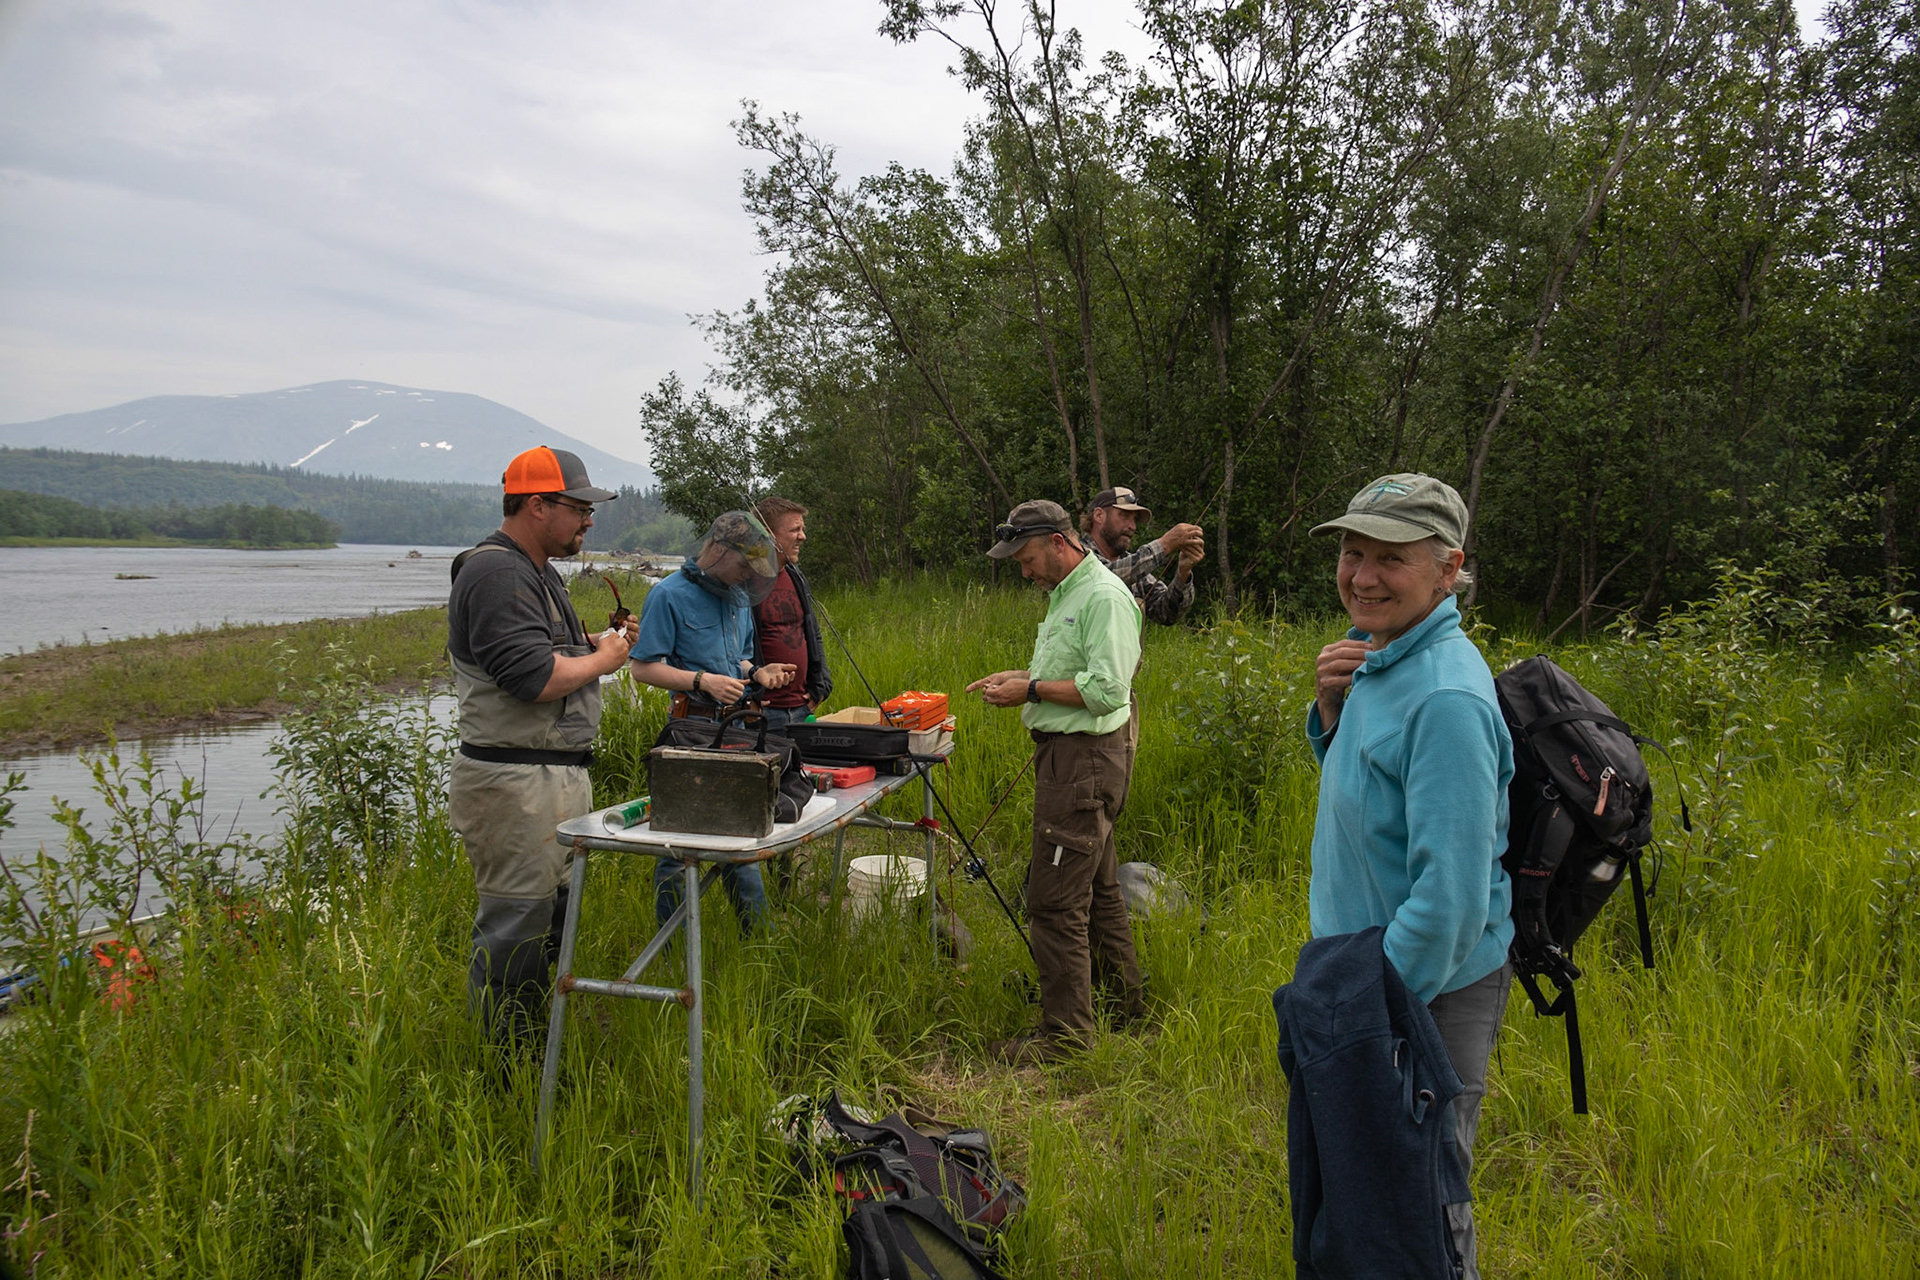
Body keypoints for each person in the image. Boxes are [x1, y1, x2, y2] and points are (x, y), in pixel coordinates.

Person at [1300, 472, 1514, 1278]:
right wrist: (1331, 717)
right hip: (1368, 975)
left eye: (1390, 558)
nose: (1362, 576)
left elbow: (1449, 903)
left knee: (1420, 1204)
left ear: (1448, 569)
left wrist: (1367, 1014)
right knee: (1366, 1199)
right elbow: (1370, 798)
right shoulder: (1383, 659)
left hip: (1422, 991)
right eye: (1353, 552)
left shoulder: (1446, 697)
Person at [447, 446, 634, 1048]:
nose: (589, 520)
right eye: (578, 508)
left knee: (547, 928)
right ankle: (505, 1073)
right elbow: (533, 678)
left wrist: (595, 642)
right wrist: (605, 660)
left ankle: (534, 1058)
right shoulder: (497, 574)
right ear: (536, 505)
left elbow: (539, 650)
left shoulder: (535, 571)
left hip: (547, 780)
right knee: (516, 936)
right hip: (515, 785)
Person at [966, 499, 1147, 1065]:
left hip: (1084, 762)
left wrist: (1030, 690)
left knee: (1053, 902)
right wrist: (1022, 676)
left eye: (1026, 558)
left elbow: (1107, 690)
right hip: (1071, 759)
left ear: (1058, 542)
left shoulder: (1103, 596)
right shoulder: (1068, 593)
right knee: (1100, 889)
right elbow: (1075, 672)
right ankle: (1124, 1006)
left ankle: (1065, 1038)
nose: (1024, 571)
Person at [628, 510, 796, 932]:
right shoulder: (668, 595)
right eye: (744, 566)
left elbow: (738, 660)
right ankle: (672, 945)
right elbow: (642, 668)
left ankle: (758, 940)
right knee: (679, 844)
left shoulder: (736, 599)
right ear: (719, 550)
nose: (747, 577)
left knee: (740, 830)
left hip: (736, 730)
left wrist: (758, 673)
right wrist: (701, 680)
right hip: (690, 733)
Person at [749, 496, 834, 734]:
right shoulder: (744, 580)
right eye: (794, 530)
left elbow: (813, 634)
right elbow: (731, 647)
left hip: (801, 708)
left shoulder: (795, 576)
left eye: (802, 529)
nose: (802, 536)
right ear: (768, 534)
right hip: (762, 713)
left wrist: (822, 685)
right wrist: (749, 698)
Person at [1079, 486, 1206, 625]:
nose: (1132, 526)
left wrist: (1183, 573)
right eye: (1124, 516)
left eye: (1134, 519)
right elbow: (1104, 578)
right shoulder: (1077, 555)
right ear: (1099, 516)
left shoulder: (1133, 567)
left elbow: (1166, 614)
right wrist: (1164, 545)